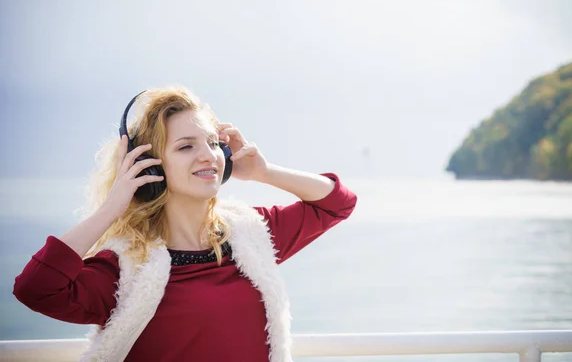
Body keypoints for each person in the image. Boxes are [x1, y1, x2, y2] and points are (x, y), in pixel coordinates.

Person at [13, 86, 357, 362]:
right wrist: (112, 208)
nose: (207, 154)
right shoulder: (125, 269)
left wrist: (264, 172)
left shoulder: (251, 235)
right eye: (186, 146)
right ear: (150, 167)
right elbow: (36, 288)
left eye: (212, 142)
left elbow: (336, 203)